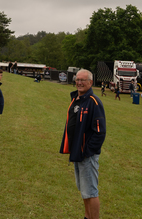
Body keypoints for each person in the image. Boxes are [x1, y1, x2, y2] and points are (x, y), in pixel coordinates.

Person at [60, 69, 106, 219]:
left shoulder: (94, 102)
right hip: (77, 153)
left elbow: (100, 132)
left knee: (91, 192)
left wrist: (87, 151)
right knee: (84, 190)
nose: (79, 83)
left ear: (90, 83)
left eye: (83, 80)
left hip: (87, 155)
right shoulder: (76, 99)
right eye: (77, 79)